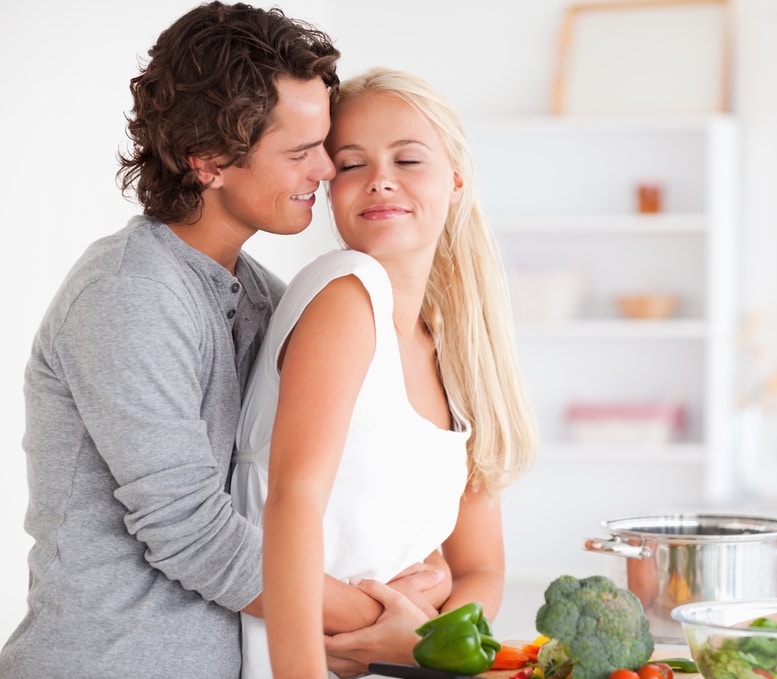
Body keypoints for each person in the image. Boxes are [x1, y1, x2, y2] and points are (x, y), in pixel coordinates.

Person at [0, 5, 438, 678]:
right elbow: (193, 534)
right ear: (207, 161)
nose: (326, 169)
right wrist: (378, 616)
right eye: (299, 152)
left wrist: (424, 580)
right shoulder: (129, 293)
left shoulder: (262, 296)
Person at [230, 67, 539, 679]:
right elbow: (292, 503)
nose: (380, 182)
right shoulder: (347, 293)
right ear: (327, 184)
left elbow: (481, 569)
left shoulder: (455, 346)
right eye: (351, 164)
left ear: (455, 178)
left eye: (409, 159)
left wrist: (425, 639)